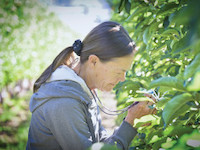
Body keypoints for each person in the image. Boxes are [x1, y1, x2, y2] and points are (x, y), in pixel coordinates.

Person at [26, 21, 156, 150]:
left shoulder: (83, 90)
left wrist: (133, 120)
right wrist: (130, 123)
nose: (122, 79)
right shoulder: (65, 103)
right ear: (93, 61)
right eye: (118, 71)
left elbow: (99, 145)